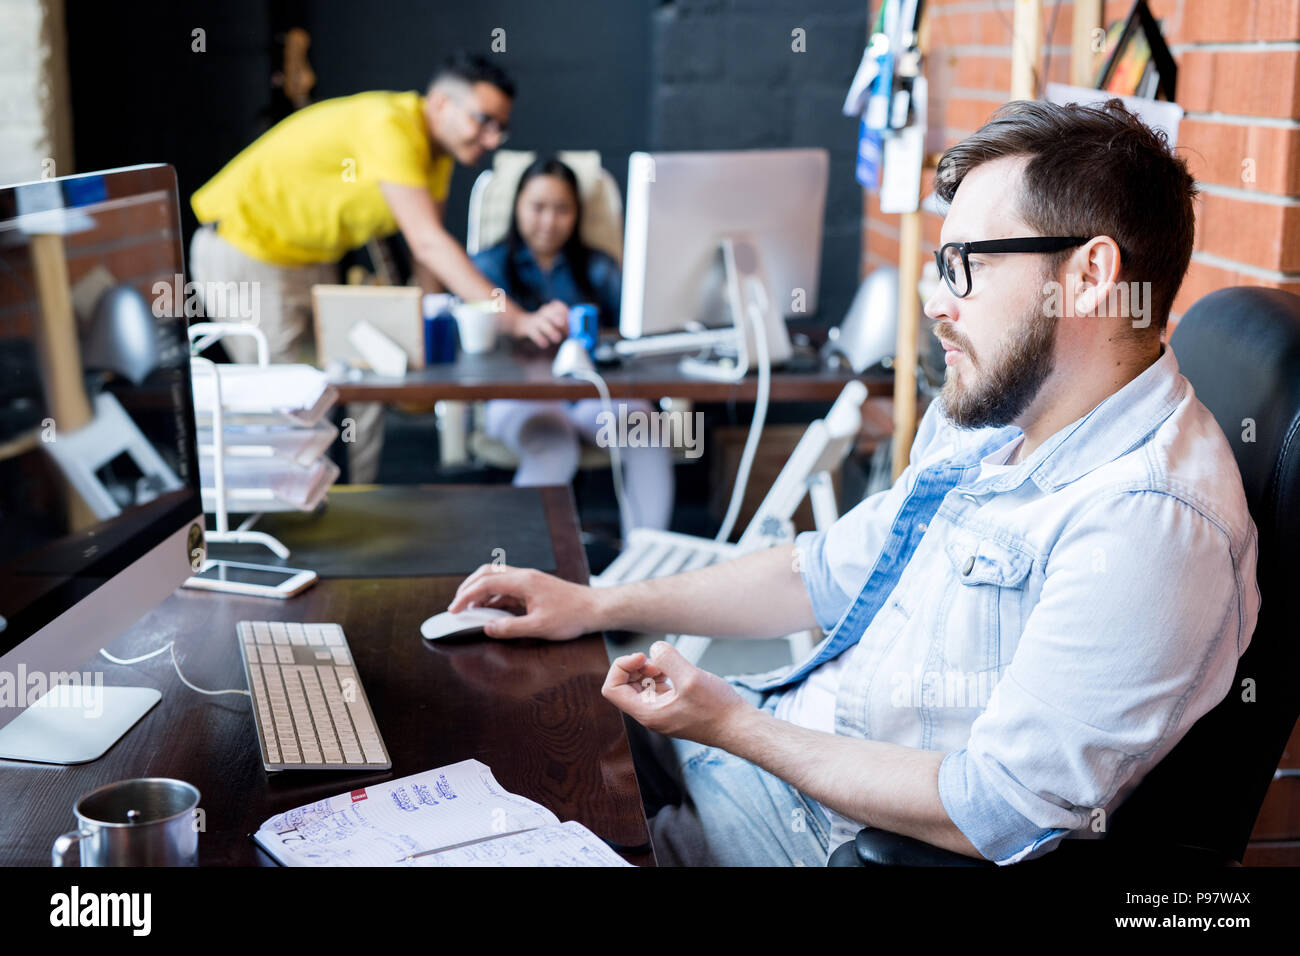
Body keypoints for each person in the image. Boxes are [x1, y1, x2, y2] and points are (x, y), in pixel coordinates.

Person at [445, 99, 1261, 866]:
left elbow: (1000, 804)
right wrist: (595, 605)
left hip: (811, 834)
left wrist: (730, 724)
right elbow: (823, 571)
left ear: (1089, 276)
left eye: (963, 265)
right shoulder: (996, 417)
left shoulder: (1149, 524)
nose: (937, 303)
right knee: (483, 722)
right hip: (762, 752)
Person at [188, 53, 569, 483]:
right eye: (484, 120)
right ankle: (291, 528)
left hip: (310, 259)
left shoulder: (438, 156)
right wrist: (517, 320)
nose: (493, 137)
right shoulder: (390, 126)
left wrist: (430, 326)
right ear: (442, 104)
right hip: (244, 248)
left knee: (361, 378)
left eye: (501, 126)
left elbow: (425, 252)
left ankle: (354, 507)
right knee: (286, 400)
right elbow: (429, 243)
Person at [472, 157, 673, 532]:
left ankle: (644, 568)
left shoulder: (600, 269)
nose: (549, 221)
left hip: (592, 397)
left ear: (577, 213)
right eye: (538, 207)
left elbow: (636, 334)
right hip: (517, 398)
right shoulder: (485, 269)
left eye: (562, 209)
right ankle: (517, 571)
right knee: (553, 444)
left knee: (646, 428)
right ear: (517, 207)